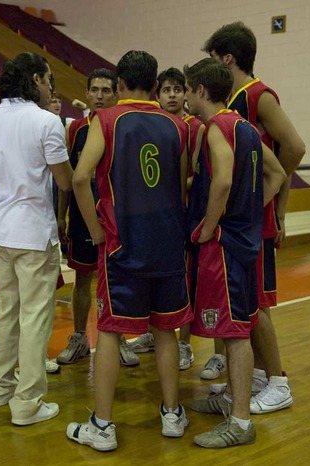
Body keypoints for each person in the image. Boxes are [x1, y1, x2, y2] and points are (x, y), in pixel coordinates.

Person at [65, 50, 191, 452]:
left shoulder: (106, 119)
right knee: (166, 330)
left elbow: (81, 178)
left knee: (111, 331)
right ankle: (172, 415)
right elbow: (183, 184)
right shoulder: (179, 125)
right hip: (169, 243)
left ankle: (102, 426)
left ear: (118, 85)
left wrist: (97, 232)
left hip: (124, 244)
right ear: (155, 86)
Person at [0, 52, 72, 426]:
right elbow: (64, 181)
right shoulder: (47, 121)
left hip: (2, 228)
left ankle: (2, 389)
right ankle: (26, 402)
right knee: (35, 317)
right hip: (33, 229)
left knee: (6, 311)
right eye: (49, 79)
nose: (52, 86)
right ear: (37, 80)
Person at [184, 57, 287, 447]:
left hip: (224, 246)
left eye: (190, 89)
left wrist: (209, 226)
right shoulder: (245, 128)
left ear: (201, 91)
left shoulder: (216, 127)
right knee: (237, 327)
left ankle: (240, 422)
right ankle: (231, 399)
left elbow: (223, 180)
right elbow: (276, 174)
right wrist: (251, 210)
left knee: (233, 332)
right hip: (244, 242)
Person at [203, 21, 306, 413]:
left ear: (227, 59)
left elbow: (294, 147)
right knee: (245, 303)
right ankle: (259, 376)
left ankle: (279, 381)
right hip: (243, 222)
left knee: (257, 304)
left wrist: (275, 206)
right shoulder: (230, 101)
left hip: (254, 221)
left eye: (212, 59)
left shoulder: (258, 95)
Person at [56, 68, 142, 368]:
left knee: (116, 278)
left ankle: (116, 338)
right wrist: (61, 216)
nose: (101, 96)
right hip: (82, 216)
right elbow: (67, 178)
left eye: (107, 90)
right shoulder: (75, 129)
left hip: (117, 217)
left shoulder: (124, 127)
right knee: (82, 277)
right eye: (95, 90)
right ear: (88, 92)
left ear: (116, 93)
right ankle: (80, 336)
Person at [127, 67, 207, 371]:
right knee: (151, 277)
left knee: (182, 282)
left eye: (177, 89)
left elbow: (194, 176)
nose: (172, 95)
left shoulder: (194, 126)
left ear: (186, 94)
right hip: (150, 217)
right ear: (156, 94)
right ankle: (152, 332)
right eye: (167, 90)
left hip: (180, 213)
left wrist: (163, 186)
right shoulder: (150, 123)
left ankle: (184, 343)